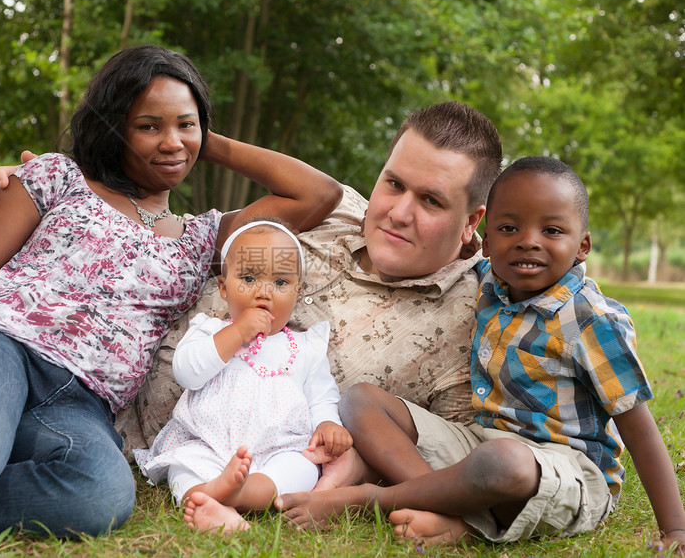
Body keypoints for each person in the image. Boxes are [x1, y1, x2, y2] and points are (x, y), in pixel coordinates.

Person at [0, 101, 502, 489]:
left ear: (473, 222)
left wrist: (443, 504)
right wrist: (191, 137)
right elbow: (318, 190)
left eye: (432, 201)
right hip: (69, 308)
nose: (397, 212)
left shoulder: (471, 322)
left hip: (103, 398)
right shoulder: (339, 211)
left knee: (34, 465)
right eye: (394, 184)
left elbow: (478, 440)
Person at [0, 45, 342, 536]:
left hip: (80, 401)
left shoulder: (204, 237)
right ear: (114, 130)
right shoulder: (59, 177)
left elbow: (319, 194)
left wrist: (203, 137)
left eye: (185, 124)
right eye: (148, 126)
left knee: (99, 495)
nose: (171, 142)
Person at [276, 157, 685, 554]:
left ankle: (372, 499)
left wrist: (675, 527)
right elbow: (449, 245)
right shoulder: (490, 282)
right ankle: (444, 510)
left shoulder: (591, 319)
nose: (528, 240)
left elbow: (639, 428)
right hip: (479, 443)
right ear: (486, 242)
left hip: (566, 468)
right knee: (360, 400)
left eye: (552, 230)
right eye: (509, 228)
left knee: (505, 462)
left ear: (583, 246)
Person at [134, 220, 351, 533]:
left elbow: (322, 396)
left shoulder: (305, 348)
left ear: (297, 292)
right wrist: (236, 332)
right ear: (224, 288)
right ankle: (207, 495)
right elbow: (187, 373)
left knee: (301, 468)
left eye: (280, 282)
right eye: (248, 278)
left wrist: (329, 424)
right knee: (185, 465)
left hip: (279, 447)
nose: (264, 291)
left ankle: (237, 494)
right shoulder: (210, 331)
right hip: (207, 442)